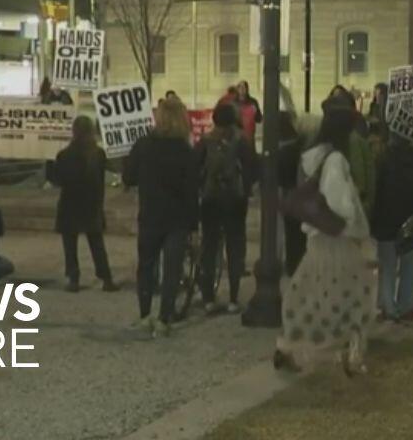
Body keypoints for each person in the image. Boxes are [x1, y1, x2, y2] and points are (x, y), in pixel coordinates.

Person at [275, 108, 375, 376]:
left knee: (309, 294)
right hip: (337, 239)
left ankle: (289, 344)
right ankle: (350, 352)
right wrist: (353, 208)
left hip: (317, 237)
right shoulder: (336, 160)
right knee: (355, 298)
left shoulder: (313, 156)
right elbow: (340, 203)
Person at [123, 97, 199, 335]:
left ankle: (145, 315)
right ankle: (164, 318)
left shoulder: (144, 145)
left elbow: (128, 176)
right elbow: (191, 190)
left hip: (150, 214)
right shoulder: (185, 151)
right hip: (177, 218)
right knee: (172, 269)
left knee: (146, 266)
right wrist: (194, 225)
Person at [195, 102, 258, 313]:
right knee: (235, 247)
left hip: (210, 199)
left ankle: (208, 298)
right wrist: (247, 189)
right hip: (235, 200)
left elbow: (195, 168)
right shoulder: (242, 141)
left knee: (209, 247)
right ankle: (233, 298)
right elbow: (251, 169)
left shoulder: (205, 141)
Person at [46, 116, 116, 292]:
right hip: (92, 204)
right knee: (97, 243)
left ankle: (74, 278)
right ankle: (106, 278)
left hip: (70, 203)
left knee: (70, 245)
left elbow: (57, 180)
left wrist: (50, 165)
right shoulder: (98, 154)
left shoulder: (64, 155)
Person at [372, 133, 413, 322]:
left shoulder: (383, 157)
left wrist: (373, 219)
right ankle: (407, 307)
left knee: (387, 266)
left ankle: (388, 307)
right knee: (410, 265)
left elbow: (377, 189)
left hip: (386, 219)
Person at [277, 112, 307, 276]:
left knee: (290, 233)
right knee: (297, 234)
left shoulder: (283, 150)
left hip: (288, 193)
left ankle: (291, 265)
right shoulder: (300, 147)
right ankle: (296, 264)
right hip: (299, 194)